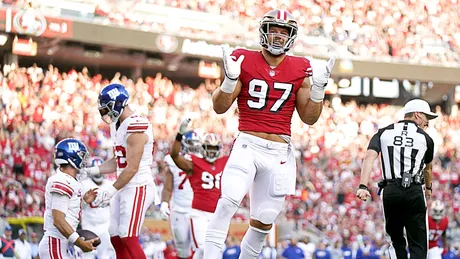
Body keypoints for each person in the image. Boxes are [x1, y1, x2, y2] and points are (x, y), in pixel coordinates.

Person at [204, 9, 335, 259]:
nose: (277, 36)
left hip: (278, 152)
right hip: (248, 144)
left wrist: (318, 90)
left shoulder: (301, 67)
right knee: (228, 201)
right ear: (263, 32)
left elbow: (309, 117)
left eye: (283, 31)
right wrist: (230, 80)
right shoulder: (243, 59)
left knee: (263, 222)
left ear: (291, 36)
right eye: (273, 30)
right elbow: (219, 106)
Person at [82, 83, 160, 259]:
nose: (105, 114)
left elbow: (132, 168)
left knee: (128, 235)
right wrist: (91, 170)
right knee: (115, 235)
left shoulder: (136, 124)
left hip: (138, 186)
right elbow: (119, 161)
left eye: (107, 108)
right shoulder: (117, 124)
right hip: (125, 184)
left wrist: (110, 190)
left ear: (117, 104)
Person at [356, 99, 437, 259]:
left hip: (391, 190)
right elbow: (428, 168)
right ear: (417, 115)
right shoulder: (426, 139)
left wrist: (363, 186)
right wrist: (428, 190)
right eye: (426, 119)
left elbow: (370, 156)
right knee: (419, 244)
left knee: (395, 241)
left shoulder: (383, 132)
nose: (427, 123)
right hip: (414, 191)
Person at [171, 121, 229, 259]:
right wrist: (179, 136)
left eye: (214, 149)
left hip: (218, 214)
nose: (211, 151)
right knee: (203, 247)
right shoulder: (194, 163)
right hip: (199, 213)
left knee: (215, 250)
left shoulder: (225, 162)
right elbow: (175, 156)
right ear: (202, 148)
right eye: (209, 148)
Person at [38, 138, 99, 259]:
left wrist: (83, 202)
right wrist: (80, 242)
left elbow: (66, 211)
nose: (83, 160)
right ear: (72, 158)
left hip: (64, 243)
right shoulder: (62, 180)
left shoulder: (69, 180)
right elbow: (59, 220)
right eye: (81, 156)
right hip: (56, 243)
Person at [160, 131, 200, 259]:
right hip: (179, 209)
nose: (193, 148)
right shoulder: (173, 161)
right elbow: (167, 187)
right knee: (182, 249)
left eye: (195, 144)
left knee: (201, 247)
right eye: (190, 144)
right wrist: (164, 203)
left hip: (198, 211)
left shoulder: (203, 161)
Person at [80, 157, 115, 259]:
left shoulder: (110, 184)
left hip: (106, 225)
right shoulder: (84, 184)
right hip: (89, 224)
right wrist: (84, 201)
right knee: (88, 254)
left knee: (106, 255)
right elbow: (77, 205)